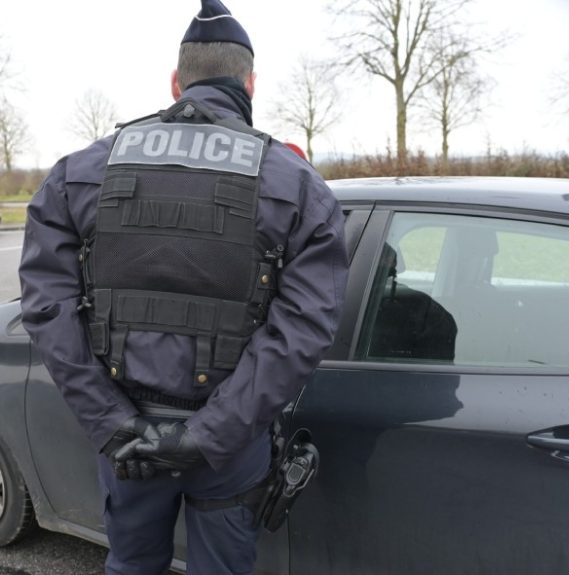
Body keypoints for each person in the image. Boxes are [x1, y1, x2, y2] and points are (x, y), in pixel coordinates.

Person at [18, 2, 349, 573]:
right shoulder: (297, 186)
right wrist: (206, 436)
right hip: (230, 442)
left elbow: (48, 307)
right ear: (250, 83)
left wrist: (111, 421)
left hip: (127, 438)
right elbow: (305, 326)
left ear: (176, 82)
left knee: (131, 564)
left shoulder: (79, 172)